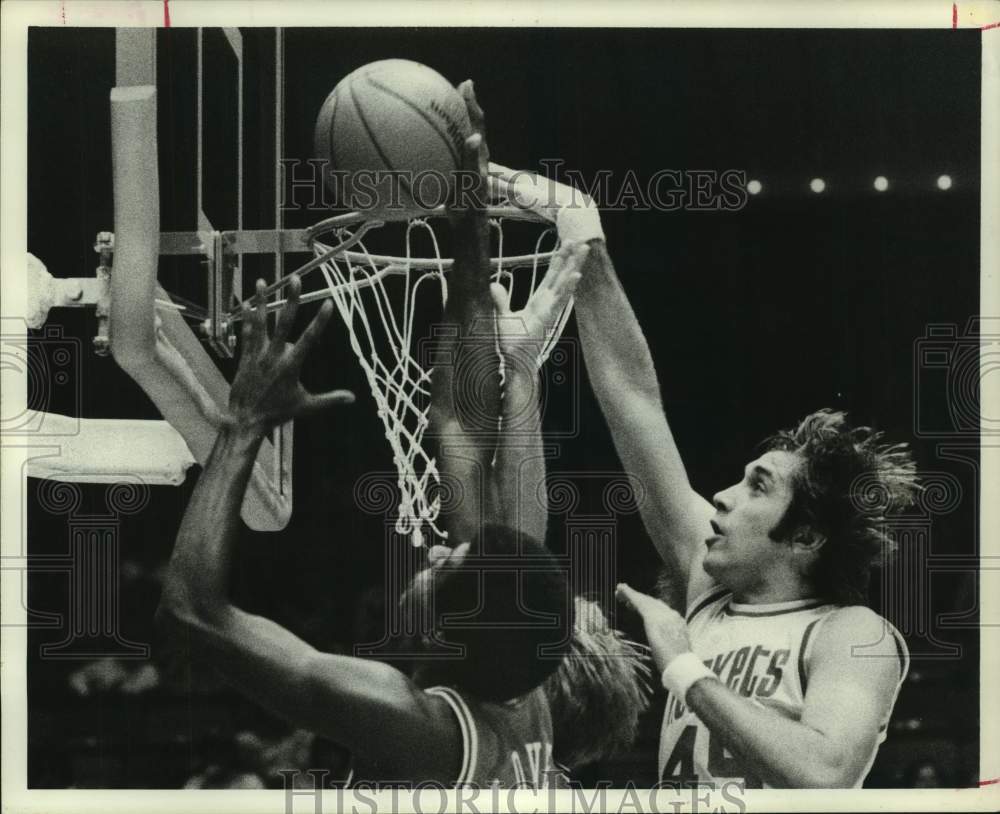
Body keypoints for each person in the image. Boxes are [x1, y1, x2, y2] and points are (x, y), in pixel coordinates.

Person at [156, 82, 584, 788]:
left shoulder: (416, 728)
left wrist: (243, 425)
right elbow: (459, 418)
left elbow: (193, 613)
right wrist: (467, 212)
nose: (440, 546)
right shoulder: (519, 690)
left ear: (447, 634)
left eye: (442, 567)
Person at [483, 133, 919, 788]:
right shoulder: (709, 587)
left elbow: (825, 772)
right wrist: (578, 224)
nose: (722, 496)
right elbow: (636, 404)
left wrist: (685, 669)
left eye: (757, 488)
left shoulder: (851, 633)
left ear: (804, 535)